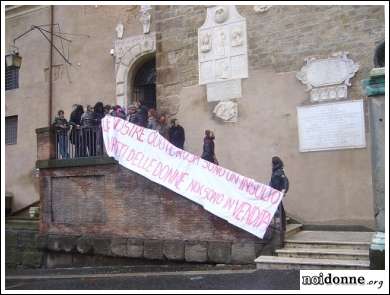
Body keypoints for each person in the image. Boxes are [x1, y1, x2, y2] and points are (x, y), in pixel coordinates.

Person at [269, 156, 289, 245]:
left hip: (276, 194)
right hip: (274, 194)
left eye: (272, 162)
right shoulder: (276, 170)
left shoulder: (280, 171)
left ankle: (282, 227)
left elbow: (285, 181)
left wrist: (283, 190)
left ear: (274, 163)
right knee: (280, 209)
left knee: (279, 210)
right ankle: (282, 226)